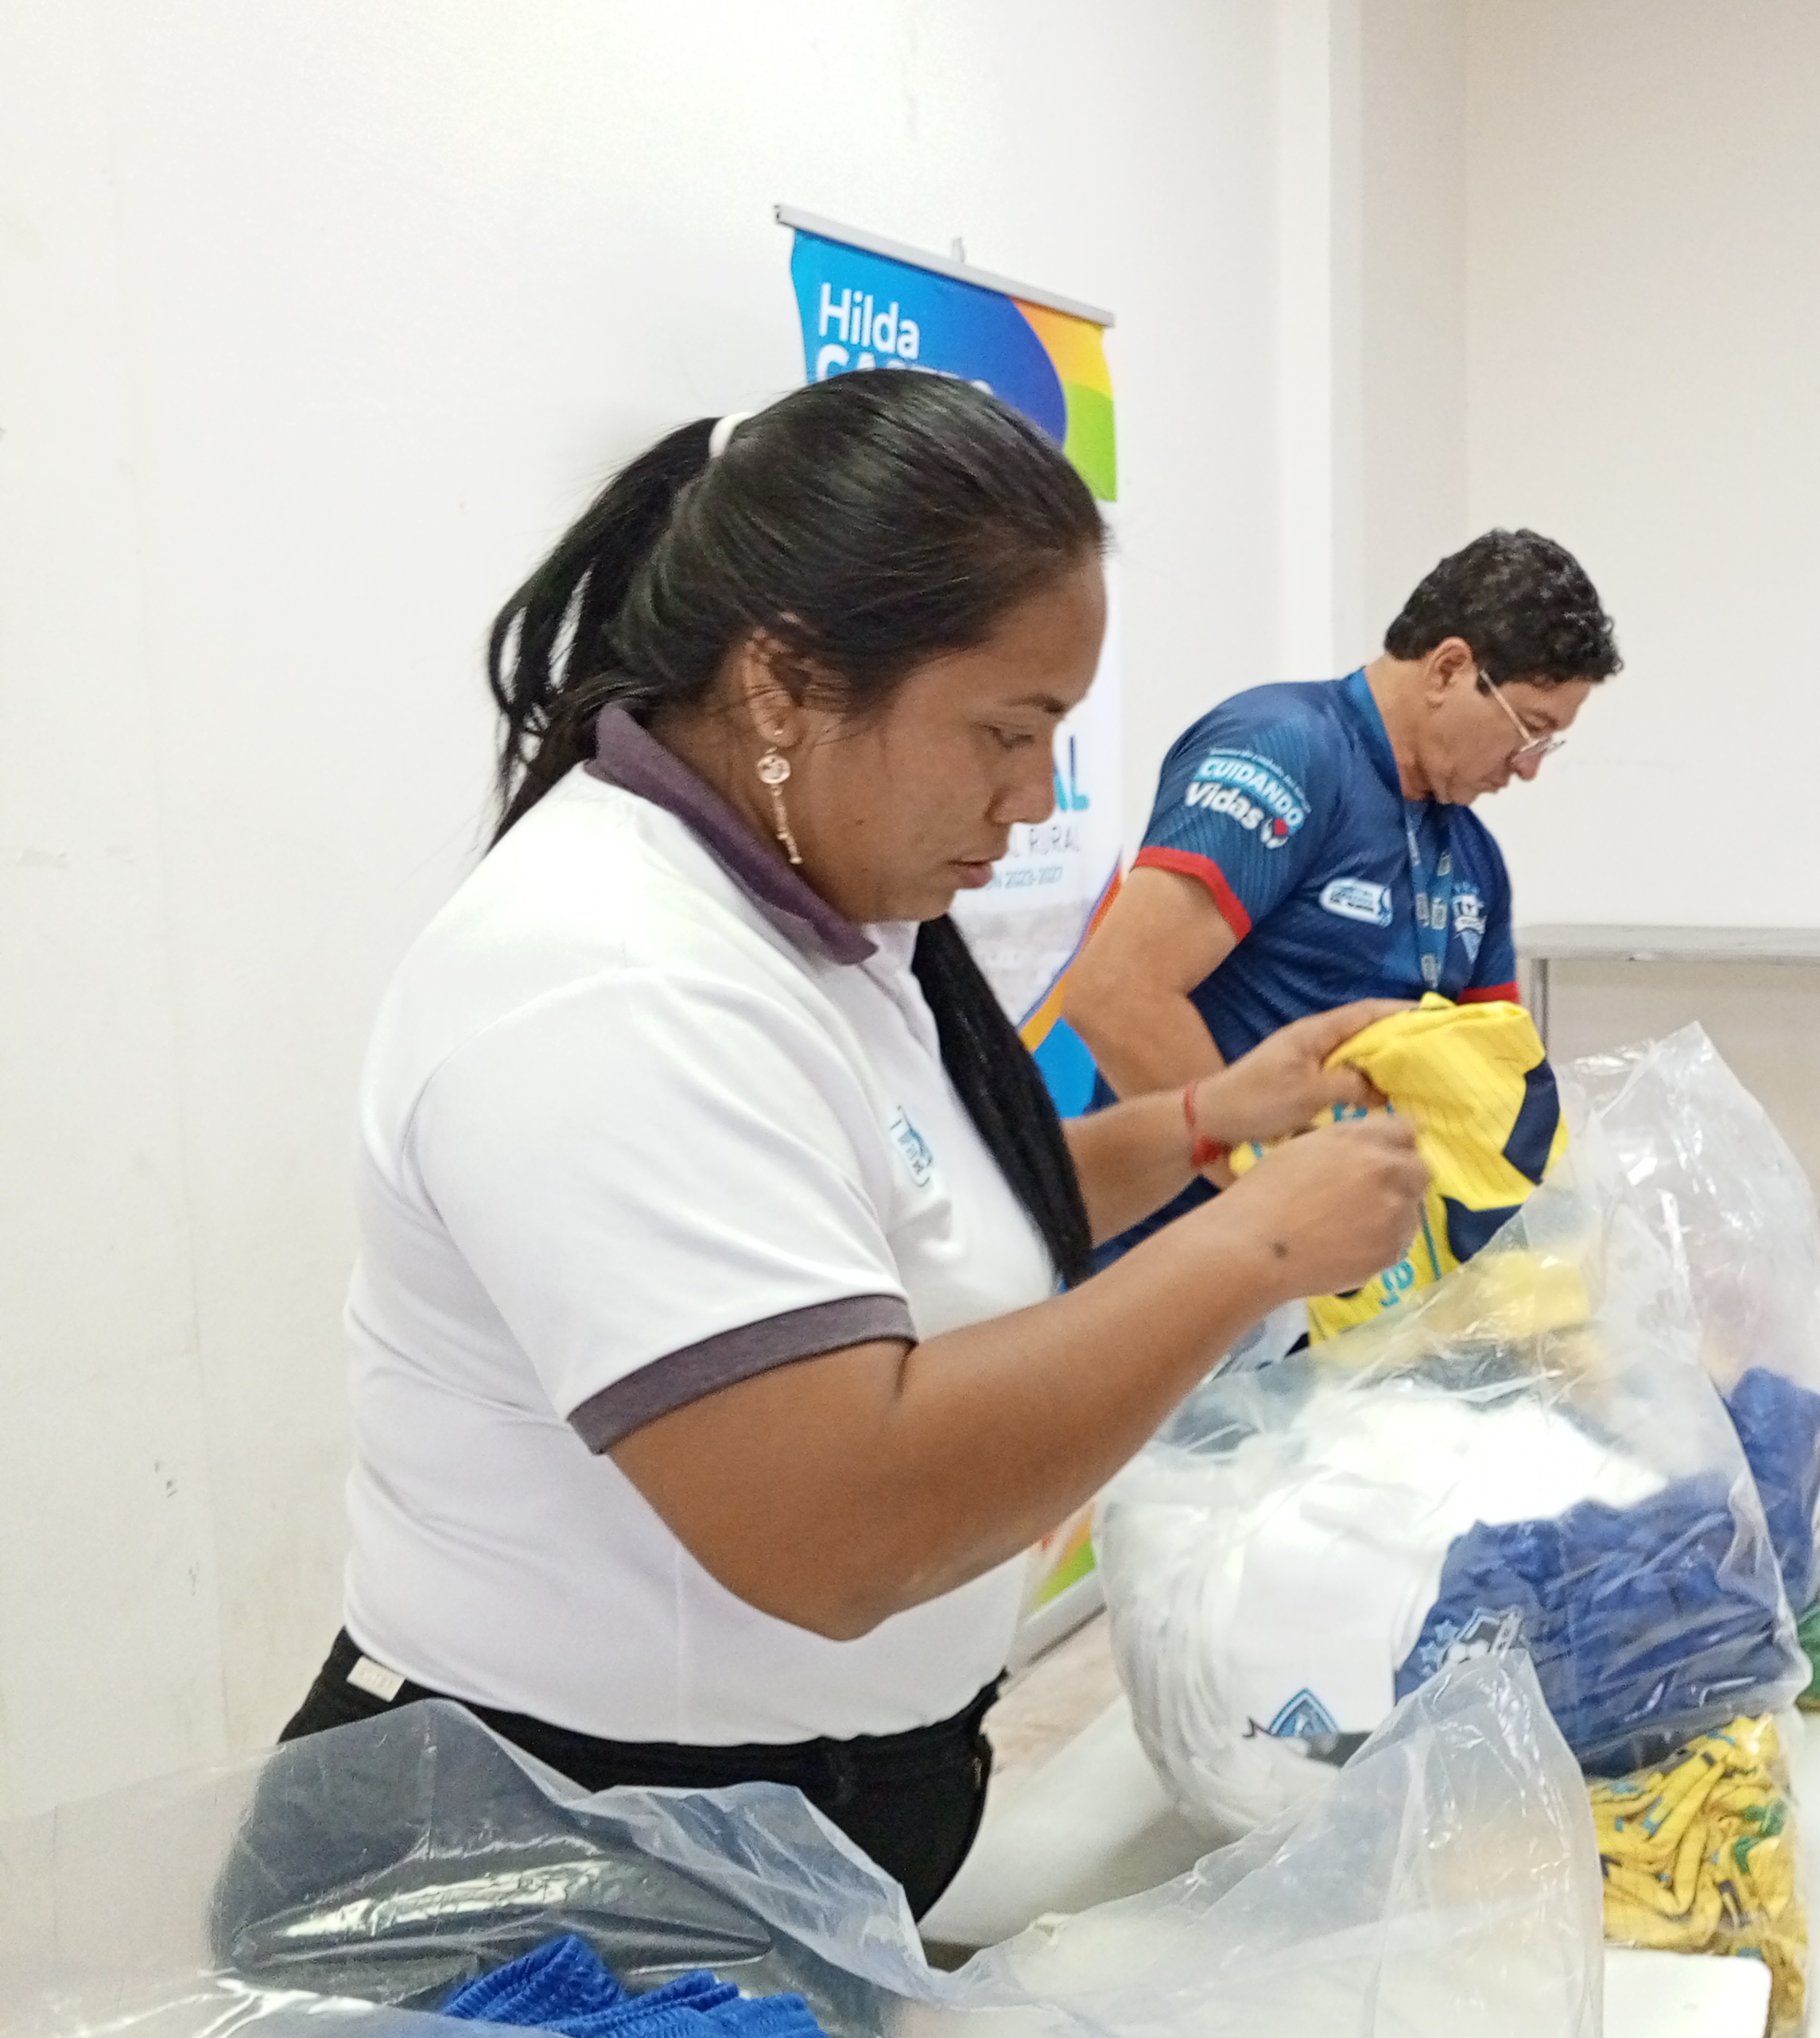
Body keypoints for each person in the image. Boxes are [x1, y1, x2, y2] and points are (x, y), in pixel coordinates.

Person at [281, 369, 1431, 1916]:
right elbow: (836, 1523)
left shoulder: (826, 915)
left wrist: (1202, 1125)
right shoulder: (605, 979)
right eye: (1005, 731)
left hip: (757, 1834)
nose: (1035, 795)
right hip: (559, 1866)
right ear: (780, 687)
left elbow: (912, 1223)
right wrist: (1257, 1246)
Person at [1058, 529, 1619, 1255]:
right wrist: (1276, 1189)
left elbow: (1494, 1088)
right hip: (1185, 1253)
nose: (1528, 767)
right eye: (1529, 730)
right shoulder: (1286, 750)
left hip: (1349, 1272)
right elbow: (1115, 992)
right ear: (1450, 668)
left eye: (1547, 744)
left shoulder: (1474, 856)